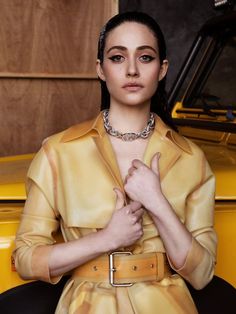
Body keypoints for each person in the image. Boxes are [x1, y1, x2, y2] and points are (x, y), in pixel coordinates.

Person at [14, 11, 217, 314]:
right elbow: (25, 259)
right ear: (100, 69)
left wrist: (157, 203)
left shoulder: (191, 159)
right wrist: (107, 239)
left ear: (162, 70)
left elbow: (202, 276)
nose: (132, 70)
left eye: (145, 58)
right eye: (118, 58)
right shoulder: (59, 151)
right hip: (85, 306)